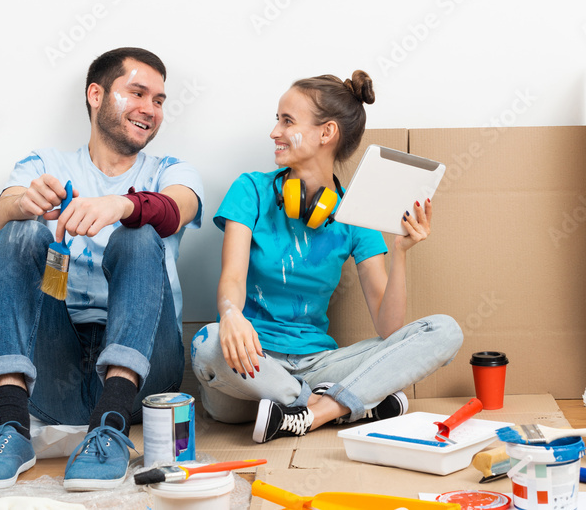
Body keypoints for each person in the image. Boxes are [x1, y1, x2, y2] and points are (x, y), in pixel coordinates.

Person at [0, 47, 203, 491]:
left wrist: (124, 204)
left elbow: (178, 208)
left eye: (159, 100)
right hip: (57, 367)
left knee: (140, 232)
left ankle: (112, 425)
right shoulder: (45, 164)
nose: (150, 109)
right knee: (19, 231)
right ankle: (12, 429)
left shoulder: (170, 170)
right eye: (137, 93)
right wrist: (25, 203)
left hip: (147, 371)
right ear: (96, 95)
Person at [191, 70, 462, 443]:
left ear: (326, 132)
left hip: (319, 364)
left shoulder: (357, 214)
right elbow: (233, 279)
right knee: (207, 342)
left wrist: (400, 252)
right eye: (277, 120)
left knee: (444, 330)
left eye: (287, 121)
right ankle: (349, 404)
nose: (275, 132)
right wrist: (231, 314)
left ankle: (313, 413)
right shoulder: (250, 189)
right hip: (251, 366)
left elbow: (389, 330)